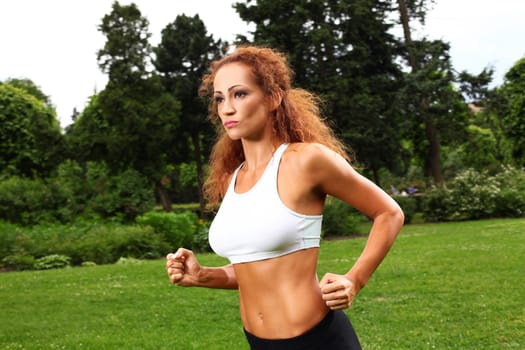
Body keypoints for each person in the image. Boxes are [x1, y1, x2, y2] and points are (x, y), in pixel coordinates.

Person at [166, 45, 404, 350]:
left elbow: (389, 213)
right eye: (219, 98)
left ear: (273, 97)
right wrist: (202, 276)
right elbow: (255, 269)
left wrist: (355, 280)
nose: (227, 108)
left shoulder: (306, 161)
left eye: (239, 94)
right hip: (257, 341)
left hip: (317, 339)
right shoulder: (231, 178)